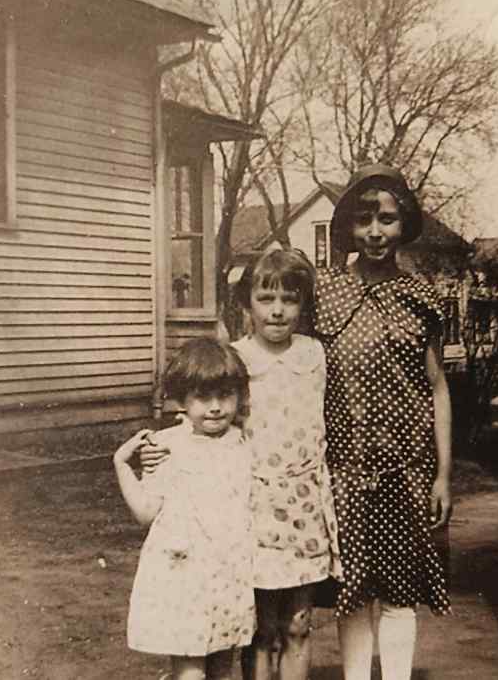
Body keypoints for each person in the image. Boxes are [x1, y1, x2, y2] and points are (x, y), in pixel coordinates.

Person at [142, 249, 341, 680]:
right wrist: (163, 448)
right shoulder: (235, 358)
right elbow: (199, 414)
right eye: (266, 299)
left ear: (303, 304)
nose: (278, 311)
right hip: (250, 510)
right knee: (261, 627)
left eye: (290, 299)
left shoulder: (315, 355)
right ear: (245, 303)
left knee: (299, 625)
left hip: (305, 509)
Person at [314, 163, 452, 680]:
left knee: (399, 590)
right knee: (351, 589)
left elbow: (437, 388)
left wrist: (442, 475)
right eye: (364, 219)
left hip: (405, 469)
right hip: (341, 467)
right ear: (348, 225)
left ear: (404, 224)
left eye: (388, 220)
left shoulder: (422, 299)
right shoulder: (323, 294)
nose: (375, 231)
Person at [113, 337, 255, 680]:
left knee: (223, 664)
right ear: (183, 399)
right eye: (202, 397)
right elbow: (145, 512)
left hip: (228, 576)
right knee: (190, 669)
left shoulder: (245, 442)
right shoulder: (166, 447)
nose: (216, 407)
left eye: (225, 395)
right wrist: (120, 463)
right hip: (184, 576)